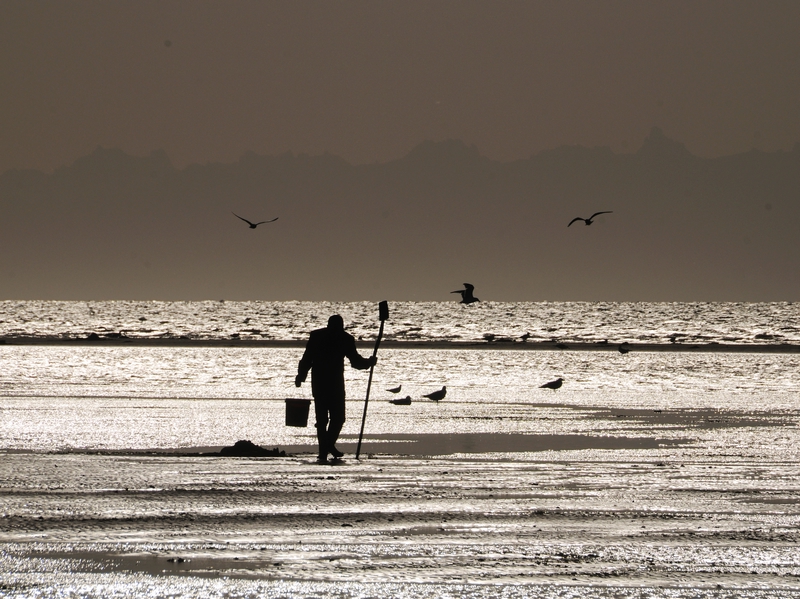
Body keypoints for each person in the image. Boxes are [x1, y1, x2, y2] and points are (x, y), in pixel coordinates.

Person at [295, 314, 376, 463]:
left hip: (326, 383)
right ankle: (326, 449)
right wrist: (300, 376)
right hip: (329, 384)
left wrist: (368, 363)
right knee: (328, 419)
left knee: (332, 419)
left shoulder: (334, 338)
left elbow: (355, 361)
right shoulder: (339, 338)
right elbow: (307, 358)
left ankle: (325, 448)